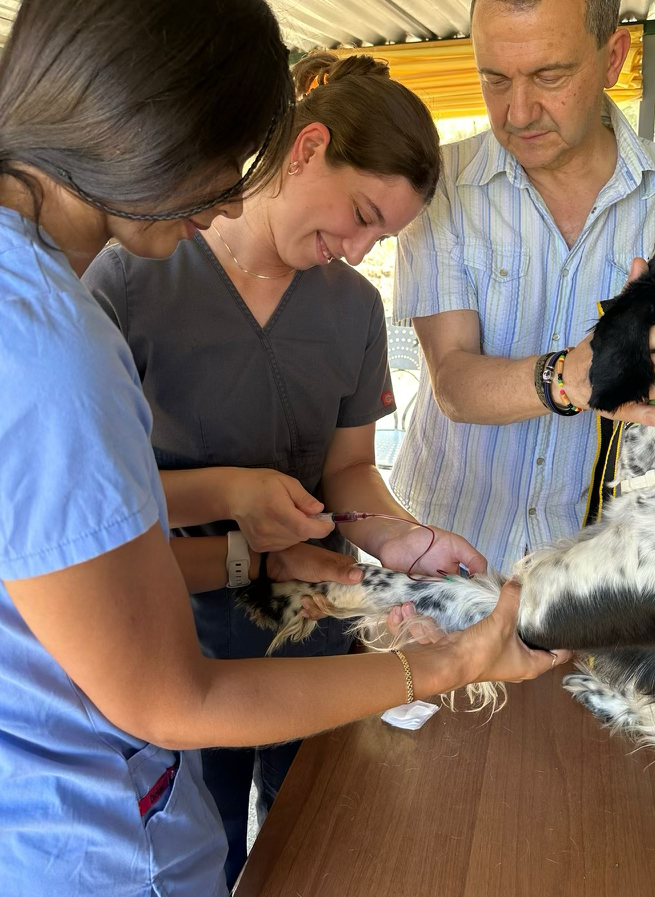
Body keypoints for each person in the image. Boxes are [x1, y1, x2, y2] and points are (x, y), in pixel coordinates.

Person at [0, 0, 567, 897]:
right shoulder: (68, 334)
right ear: (149, 129)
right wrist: (452, 662)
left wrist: (381, 535)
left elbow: (60, 530)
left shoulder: (50, 308)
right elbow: (172, 693)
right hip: (94, 831)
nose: (223, 204)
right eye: (222, 171)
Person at [83, 49, 489, 887]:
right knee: (204, 850)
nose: (358, 247)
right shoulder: (133, 276)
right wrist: (234, 496)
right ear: (307, 148)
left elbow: (348, 472)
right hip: (176, 637)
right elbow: (95, 497)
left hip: (315, 630)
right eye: (361, 213)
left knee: (316, 843)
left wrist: (405, 543)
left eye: (383, 235)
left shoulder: (353, 308)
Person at [392, 0, 655, 573]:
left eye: (548, 74)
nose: (517, 110)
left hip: (607, 572)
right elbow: (452, 381)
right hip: (448, 561)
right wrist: (580, 372)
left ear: (615, 56)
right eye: (495, 79)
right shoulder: (440, 187)